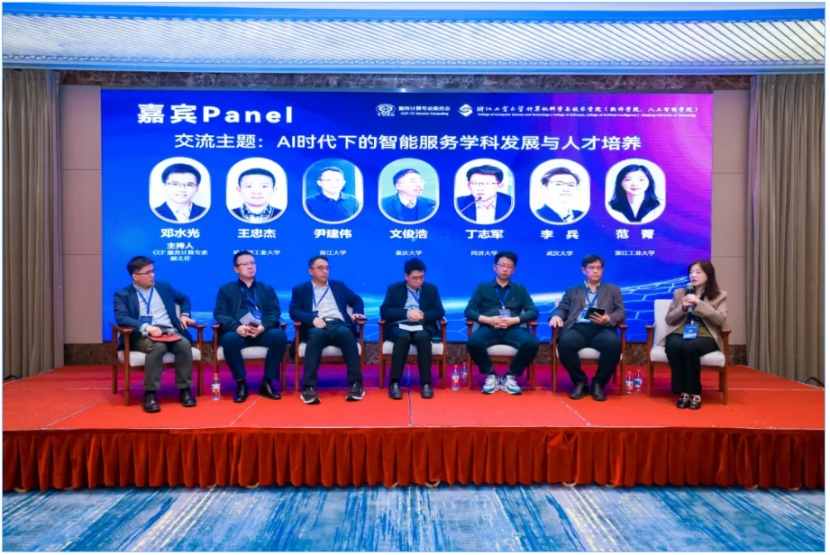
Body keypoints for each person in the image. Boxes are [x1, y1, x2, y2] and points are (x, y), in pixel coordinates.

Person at [113, 256, 197, 413]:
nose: (152, 275)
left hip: (169, 331)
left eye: (153, 271)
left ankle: (185, 390)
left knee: (184, 345)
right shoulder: (123, 294)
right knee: (157, 347)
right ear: (135, 276)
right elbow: (121, 317)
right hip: (142, 335)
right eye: (147, 272)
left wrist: (184, 314)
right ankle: (150, 394)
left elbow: (184, 298)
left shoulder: (163, 287)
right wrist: (146, 326)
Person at [212, 250, 288, 403]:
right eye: (245, 264)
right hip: (239, 333)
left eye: (252, 263)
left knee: (279, 336)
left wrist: (263, 327)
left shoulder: (266, 289)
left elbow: (274, 312)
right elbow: (220, 313)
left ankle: (267, 382)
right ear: (236, 269)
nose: (250, 267)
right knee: (229, 339)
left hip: (261, 331)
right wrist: (236, 327)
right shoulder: (226, 290)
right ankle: (241, 383)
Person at [289, 255, 366, 404]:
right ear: (310, 271)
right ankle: (309, 387)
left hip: (339, 324)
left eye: (327, 268)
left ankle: (356, 384)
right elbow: (294, 311)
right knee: (316, 336)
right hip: (317, 325)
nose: (325, 271)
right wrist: (311, 319)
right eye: (320, 268)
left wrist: (357, 312)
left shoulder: (338, 286)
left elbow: (356, 299)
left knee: (346, 334)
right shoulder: (301, 289)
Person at [550, 255, 626, 401]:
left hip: (602, 328)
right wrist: (556, 316)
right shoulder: (572, 290)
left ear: (603, 270)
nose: (595, 271)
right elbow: (562, 308)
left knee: (613, 345)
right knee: (565, 344)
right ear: (583, 270)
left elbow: (621, 312)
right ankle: (580, 382)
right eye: (591, 268)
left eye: (598, 268)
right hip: (578, 328)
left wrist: (608, 319)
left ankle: (599, 384)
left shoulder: (613, 289)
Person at [464, 251, 540, 395]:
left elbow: (533, 312)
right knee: (473, 342)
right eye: (502, 265)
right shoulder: (482, 288)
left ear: (514, 270)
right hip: (489, 327)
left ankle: (509, 377)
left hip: (513, 328)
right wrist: (489, 320)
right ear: (495, 267)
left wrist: (513, 321)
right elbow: (469, 311)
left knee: (532, 344)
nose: (505, 269)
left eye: (509, 266)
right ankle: (491, 375)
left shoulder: (520, 289)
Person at [661, 260, 728, 410]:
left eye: (698, 272)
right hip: (681, 331)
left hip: (706, 334)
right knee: (673, 345)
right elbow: (669, 319)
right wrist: (683, 308)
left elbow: (720, 319)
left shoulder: (720, 296)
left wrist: (699, 304)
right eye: (691, 272)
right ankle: (683, 391)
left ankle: (695, 393)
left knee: (690, 348)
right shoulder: (680, 293)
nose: (693, 275)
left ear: (708, 275)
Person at [379, 258, 445, 400]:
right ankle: (395, 382)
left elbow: (439, 311)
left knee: (423, 337)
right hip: (399, 325)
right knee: (403, 337)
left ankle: (426, 383)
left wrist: (423, 315)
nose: (418, 281)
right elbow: (385, 311)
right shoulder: (394, 289)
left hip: (422, 325)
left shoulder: (431, 289)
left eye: (421, 277)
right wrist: (407, 313)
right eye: (414, 278)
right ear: (406, 276)